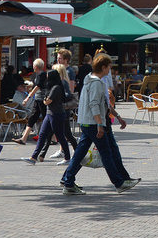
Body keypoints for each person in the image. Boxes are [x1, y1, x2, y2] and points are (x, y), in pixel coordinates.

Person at [60, 53, 140, 195]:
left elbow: (105, 104)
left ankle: (68, 180)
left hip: (87, 121)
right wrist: (99, 124)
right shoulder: (96, 83)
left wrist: (117, 116)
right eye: (109, 67)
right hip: (93, 122)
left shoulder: (90, 80)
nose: (109, 70)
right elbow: (95, 104)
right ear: (103, 67)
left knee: (81, 152)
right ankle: (119, 182)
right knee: (106, 153)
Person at [23, 65, 72, 165]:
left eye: (48, 77)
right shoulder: (51, 87)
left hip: (56, 114)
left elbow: (47, 101)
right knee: (42, 135)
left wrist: (45, 100)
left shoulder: (56, 88)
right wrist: (45, 100)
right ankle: (33, 157)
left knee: (60, 136)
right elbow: (46, 99)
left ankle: (67, 158)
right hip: (50, 114)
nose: (46, 79)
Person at [17, 58, 48, 145]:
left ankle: (53, 137)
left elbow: (37, 87)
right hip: (37, 99)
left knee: (47, 118)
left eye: (34, 65)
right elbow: (35, 86)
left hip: (42, 100)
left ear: (36, 66)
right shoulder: (37, 75)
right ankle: (23, 138)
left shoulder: (42, 74)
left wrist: (27, 98)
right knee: (32, 118)